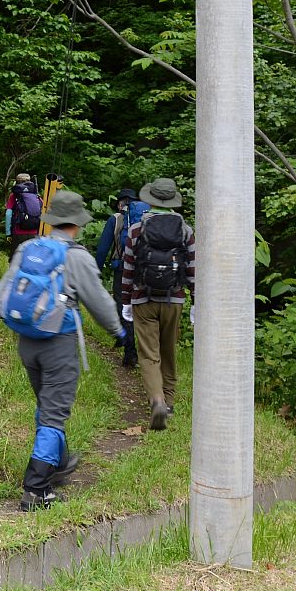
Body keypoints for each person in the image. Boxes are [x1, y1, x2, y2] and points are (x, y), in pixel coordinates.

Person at [0, 191, 127, 511]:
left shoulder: (29, 248)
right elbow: (98, 302)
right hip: (59, 344)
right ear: (77, 224)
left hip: (27, 344)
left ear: (51, 219)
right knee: (53, 415)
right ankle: (37, 489)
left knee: (47, 405)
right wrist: (120, 332)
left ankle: (59, 463)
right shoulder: (77, 257)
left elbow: (3, 290)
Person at [120, 178, 196, 431]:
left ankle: (157, 401)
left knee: (149, 355)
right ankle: (170, 401)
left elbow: (128, 268)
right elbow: (192, 269)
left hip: (143, 299)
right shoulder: (186, 230)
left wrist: (126, 300)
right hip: (174, 299)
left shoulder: (136, 230)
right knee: (168, 350)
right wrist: (196, 301)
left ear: (150, 199)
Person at [94, 188, 150, 367]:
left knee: (124, 307)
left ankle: (130, 352)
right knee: (142, 309)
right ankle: (148, 354)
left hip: (123, 270)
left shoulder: (116, 219)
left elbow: (103, 248)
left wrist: (96, 270)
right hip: (146, 272)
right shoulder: (147, 218)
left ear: (120, 203)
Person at [4, 173, 43, 255]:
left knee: (15, 257)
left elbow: (8, 214)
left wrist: (8, 233)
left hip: (18, 232)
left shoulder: (14, 196)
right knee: (31, 257)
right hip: (34, 232)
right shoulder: (36, 195)